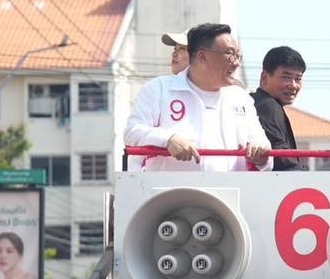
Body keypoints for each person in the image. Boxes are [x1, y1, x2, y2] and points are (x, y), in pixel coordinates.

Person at [125, 23, 271, 172]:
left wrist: (261, 155)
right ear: (202, 57)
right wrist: (168, 140)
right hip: (171, 194)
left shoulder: (241, 98)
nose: (236, 63)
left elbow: (264, 150)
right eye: (229, 54)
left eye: (237, 55)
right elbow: (132, 132)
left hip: (231, 192)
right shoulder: (159, 89)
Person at [251, 46, 306, 171]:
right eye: (286, 77)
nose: (293, 85)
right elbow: (281, 158)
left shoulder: (267, 103)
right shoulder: (267, 105)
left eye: (298, 79)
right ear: (264, 78)